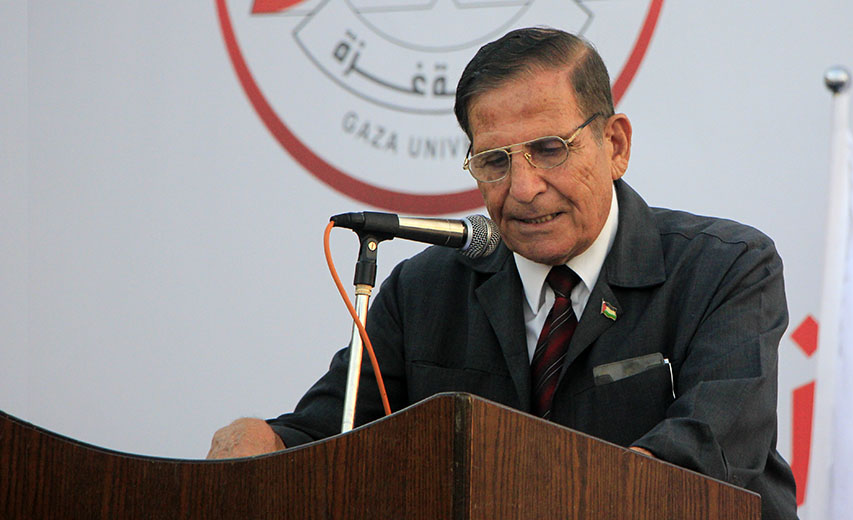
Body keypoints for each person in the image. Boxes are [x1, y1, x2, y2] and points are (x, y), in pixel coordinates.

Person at [208, 27, 798, 519]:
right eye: (494, 161)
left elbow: (703, 458)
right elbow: (324, 439)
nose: (523, 188)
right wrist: (260, 442)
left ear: (615, 144)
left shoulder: (726, 267)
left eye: (550, 149)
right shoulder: (422, 292)